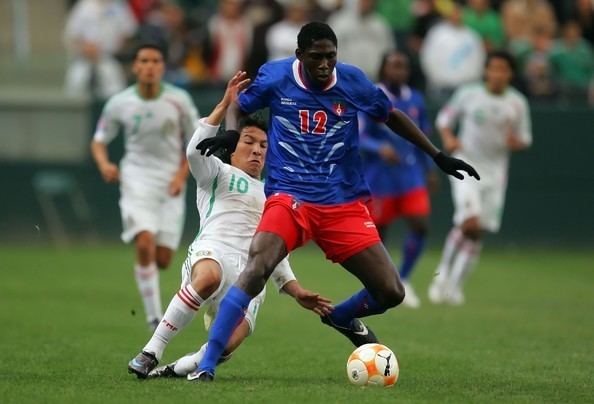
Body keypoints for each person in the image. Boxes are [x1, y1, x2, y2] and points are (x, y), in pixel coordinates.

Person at [188, 22, 479, 382]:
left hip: (342, 202)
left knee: (390, 292)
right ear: (300, 56)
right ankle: (207, 364)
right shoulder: (277, 77)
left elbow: (392, 116)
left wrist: (436, 155)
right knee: (258, 265)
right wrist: (231, 134)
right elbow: (238, 102)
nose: (325, 64)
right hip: (289, 195)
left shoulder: (352, 81)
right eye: (316, 57)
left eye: (330, 56)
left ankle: (340, 316)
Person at [127, 72, 332, 379]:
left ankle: (176, 369)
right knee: (209, 276)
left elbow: (277, 251)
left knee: (226, 345)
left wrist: (295, 290)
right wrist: (224, 105)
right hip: (213, 252)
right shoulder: (216, 173)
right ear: (234, 143)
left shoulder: (274, 193)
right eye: (249, 141)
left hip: (251, 275)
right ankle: (151, 352)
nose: (257, 150)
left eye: (264, 145)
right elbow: (194, 151)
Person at [91, 43, 199, 330]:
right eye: (144, 60)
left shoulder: (179, 100)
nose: (150, 65)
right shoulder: (119, 102)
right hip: (136, 178)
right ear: (135, 67)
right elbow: (99, 140)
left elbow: (195, 143)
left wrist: (180, 176)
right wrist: (104, 164)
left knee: (162, 259)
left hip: (170, 183)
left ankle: (153, 300)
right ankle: (154, 318)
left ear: (162, 67)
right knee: (144, 241)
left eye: (155, 60)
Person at [429, 50, 532, 306]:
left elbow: (525, 138)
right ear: (486, 71)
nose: (497, 74)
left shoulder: (517, 103)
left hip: (495, 174)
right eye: (493, 68)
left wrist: (515, 142)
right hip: (466, 166)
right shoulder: (469, 94)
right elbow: (444, 119)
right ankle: (439, 279)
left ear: (510, 74)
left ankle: (454, 287)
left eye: (503, 69)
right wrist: (450, 139)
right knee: (469, 223)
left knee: (478, 232)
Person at [359, 51, 438, 309]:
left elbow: (422, 135)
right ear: (383, 69)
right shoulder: (371, 96)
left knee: (420, 225)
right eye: (393, 66)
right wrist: (378, 148)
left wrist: (430, 167)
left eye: (402, 66)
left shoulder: (416, 98)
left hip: (411, 176)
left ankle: (403, 279)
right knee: (379, 236)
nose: (398, 71)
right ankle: (386, 282)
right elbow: (358, 135)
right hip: (379, 179)